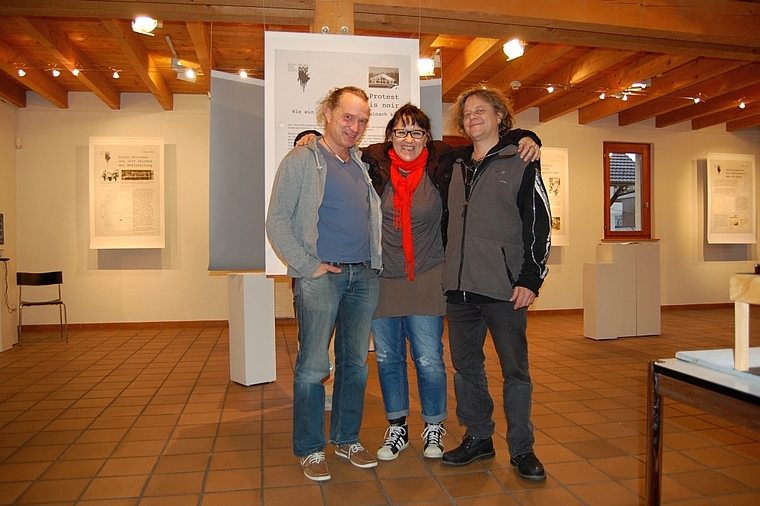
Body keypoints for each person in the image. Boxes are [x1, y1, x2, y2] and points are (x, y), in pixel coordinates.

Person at [358, 104, 541, 462]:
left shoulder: (442, 164)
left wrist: (526, 136)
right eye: (400, 131)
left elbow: (490, 142)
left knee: (429, 359)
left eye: (417, 132)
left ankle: (435, 426)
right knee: (388, 358)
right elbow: (344, 147)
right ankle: (397, 426)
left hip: (428, 274)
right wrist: (311, 138)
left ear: (428, 137)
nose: (408, 139)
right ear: (389, 137)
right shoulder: (374, 167)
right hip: (385, 278)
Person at [266, 86, 382, 482]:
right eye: (348, 117)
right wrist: (305, 265)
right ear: (328, 114)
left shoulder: (361, 165)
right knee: (313, 366)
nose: (355, 126)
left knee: (355, 365)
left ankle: (347, 438)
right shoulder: (302, 159)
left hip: (362, 276)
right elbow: (277, 219)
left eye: (363, 120)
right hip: (321, 277)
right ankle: (311, 448)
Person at [440, 84, 551, 482]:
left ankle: (522, 448)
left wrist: (531, 279)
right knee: (466, 369)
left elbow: (539, 226)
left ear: (500, 117)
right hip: (460, 289)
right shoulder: (453, 165)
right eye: (467, 113)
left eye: (481, 110)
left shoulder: (522, 161)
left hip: (505, 289)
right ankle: (478, 437)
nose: (472, 117)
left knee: (515, 373)